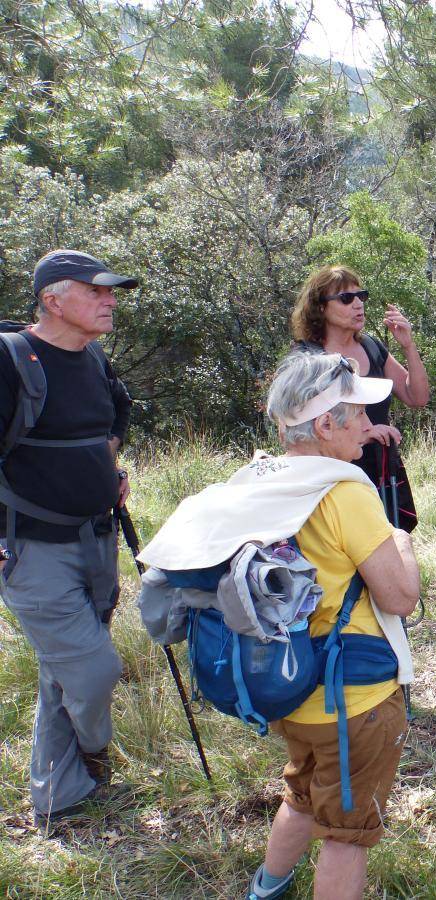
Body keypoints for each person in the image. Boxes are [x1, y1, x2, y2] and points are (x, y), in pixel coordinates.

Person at [248, 352, 421, 900]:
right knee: (346, 834)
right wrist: (403, 543)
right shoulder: (344, 491)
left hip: (288, 686)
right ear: (325, 424)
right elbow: (400, 597)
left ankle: (266, 890)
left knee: (301, 792)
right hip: (354, 700)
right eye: (359, 414)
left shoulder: (260, 481)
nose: (370, 427)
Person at [0, 249, 136, 823]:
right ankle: (93, 751)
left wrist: (109, 473)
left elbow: (109, 425)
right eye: (96, 290)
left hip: (97, 538)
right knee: (94, 669)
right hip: (33, 548)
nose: (110, 300)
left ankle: (58, 796)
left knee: (62, 671)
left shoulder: (94, 358)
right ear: (53, 298)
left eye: (112, 292)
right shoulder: (10, 361)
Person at [291, 264, 429, 531]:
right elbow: (297, 428)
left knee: (388, 540)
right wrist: (365, 433)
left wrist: (409, 346)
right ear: (320, 307)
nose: (358, 304)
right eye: (346, 298)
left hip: (380, 467)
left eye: (361, 296)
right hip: (331, 471)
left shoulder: (371, 346)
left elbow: (417, 397)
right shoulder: (306, 358)